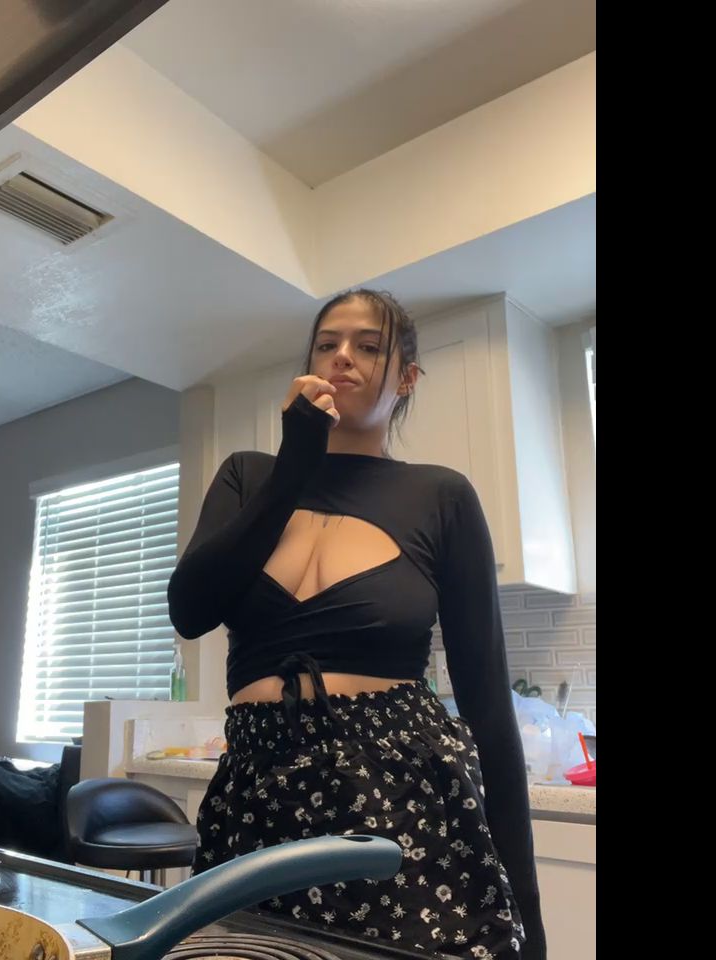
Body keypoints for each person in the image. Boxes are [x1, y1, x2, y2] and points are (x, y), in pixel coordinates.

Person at [167, 289, 544, 959]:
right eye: (326, 343)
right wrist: (295, 464)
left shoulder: (440, 495)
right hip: (256, 793)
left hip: (402, 798)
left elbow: (488, 708)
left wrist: (528, 913)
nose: (342, 357)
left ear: (407, 378)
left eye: (368, 346)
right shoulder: (248, 476)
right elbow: (190, 610)